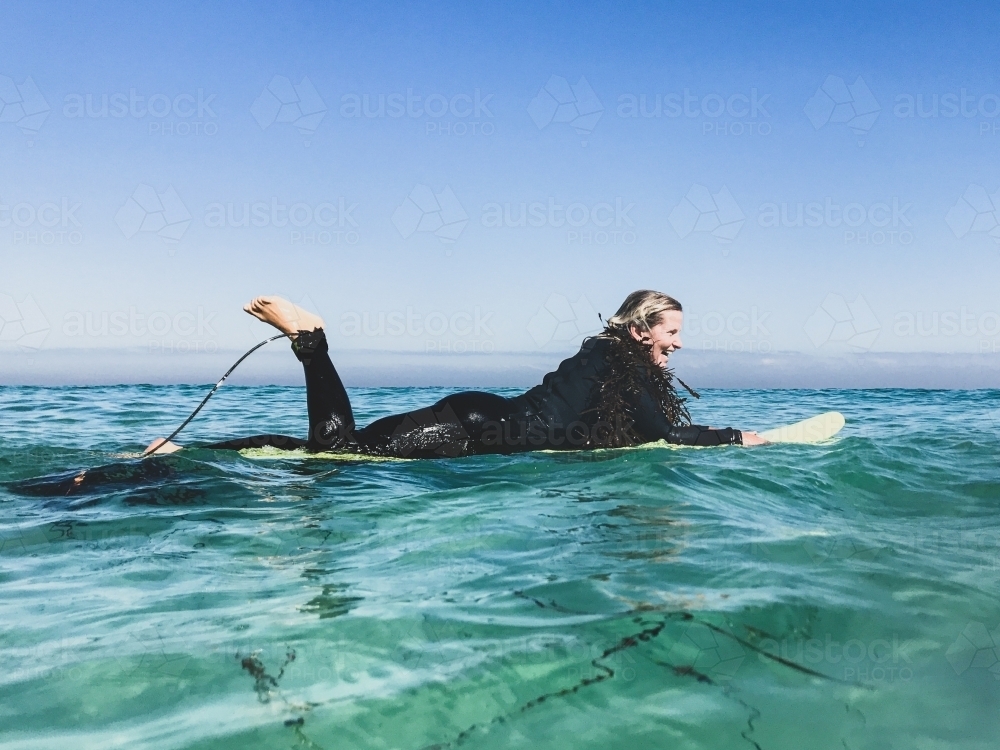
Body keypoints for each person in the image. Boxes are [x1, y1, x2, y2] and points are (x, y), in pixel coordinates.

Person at [147, 291, 767, 459]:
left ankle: (191, 449)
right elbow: (662, 435)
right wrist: (739, 437)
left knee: (330, 453)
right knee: (339, 452)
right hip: (476, 431)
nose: (679, 346)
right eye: (672, 334)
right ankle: (312, 342)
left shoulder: (602, 356)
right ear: (640, 332)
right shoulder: (623, 367)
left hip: (478, 417)